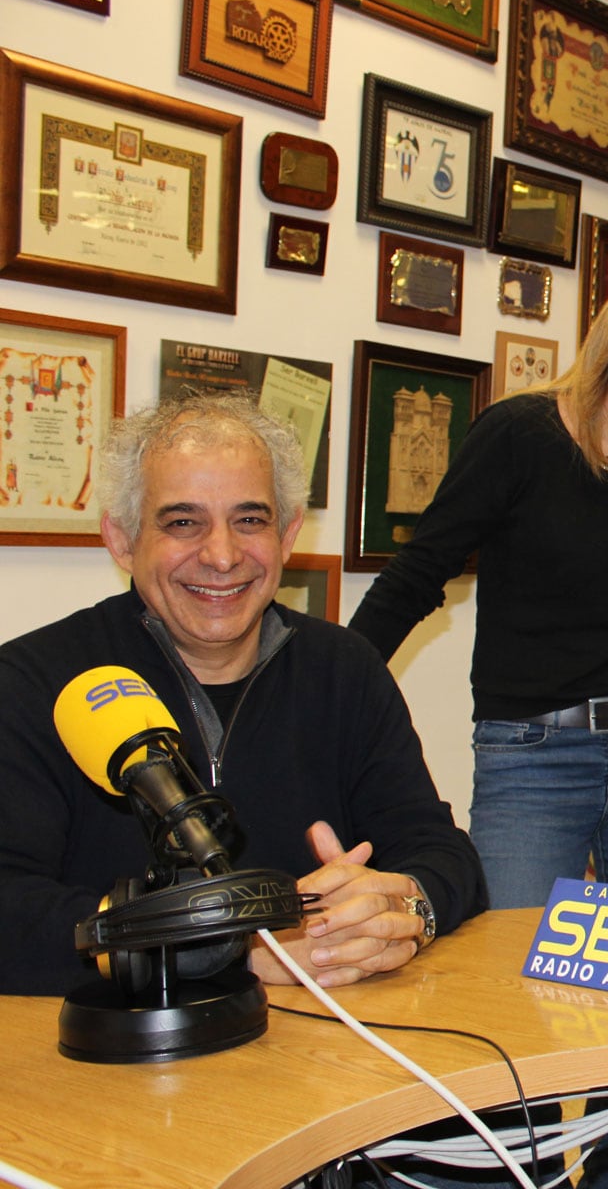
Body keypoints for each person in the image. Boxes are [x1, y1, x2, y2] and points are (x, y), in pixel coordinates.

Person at [0, 395, 486, 997]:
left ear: (286, 537)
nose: (223, 555)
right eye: (183, 522)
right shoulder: (31, 681)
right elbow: (11, 909)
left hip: (316, 1052)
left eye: (249, 520)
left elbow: (443, 855)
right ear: (122, 540)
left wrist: (401, 909)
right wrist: (237, 951)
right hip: (108, 1058)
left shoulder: (344, 668)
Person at [349, 254, 608, 910]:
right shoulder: (518, 435)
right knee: (509, 975)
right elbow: (418, 575)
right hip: (532, 755)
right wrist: (334, 692)